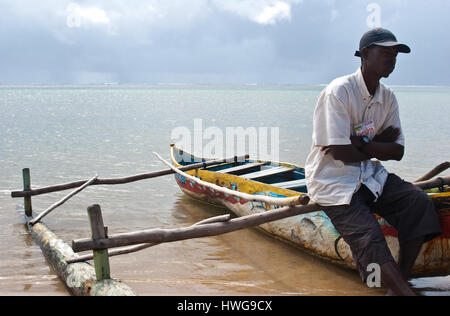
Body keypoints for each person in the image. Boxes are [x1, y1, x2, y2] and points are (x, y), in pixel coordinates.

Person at [305, 28, 441, 296]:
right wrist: (377, 144)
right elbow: (339, 153)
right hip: (334, 182)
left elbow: (398, 151)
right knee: (369, 237)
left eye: (395, 55)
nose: (392, 60)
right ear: (365, 54)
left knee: (419, 204)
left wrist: (362, 145)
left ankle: (399, 284)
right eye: (385, 53)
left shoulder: (387, 97)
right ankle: (405, 292)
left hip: (370, 176)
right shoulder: (339, 91)